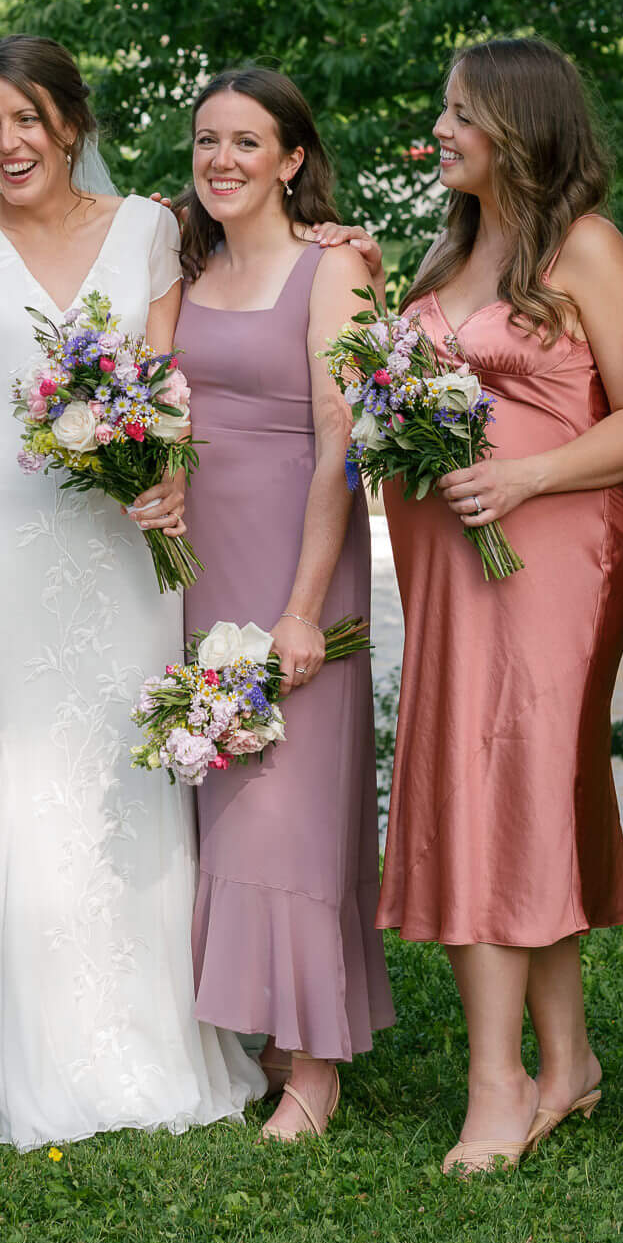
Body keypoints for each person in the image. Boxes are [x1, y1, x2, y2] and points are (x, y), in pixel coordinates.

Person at [0, 34, 263, 1148]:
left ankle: (146, 1015)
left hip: (117, 534)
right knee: (17, 750)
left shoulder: (148, 228)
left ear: (71, 122)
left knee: (122, 752)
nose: (4, 143)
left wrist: (168, 478)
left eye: (24, 119)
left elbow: (169, 385)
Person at [376, 37, 623, 1175]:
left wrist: (528, 474)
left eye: (460, 114)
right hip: (448, 560)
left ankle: (501, 1086)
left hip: (555, 551)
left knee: (510, 788)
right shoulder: (446, 254)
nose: (440, 131)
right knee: (482, 786)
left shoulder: (586, 247)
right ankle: (565, 1057)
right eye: (442, 112)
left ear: (520, 126)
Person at [173, 67, 393, 1141]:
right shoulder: (185, 265)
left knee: (289, 802)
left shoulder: (334, 272)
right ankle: (257, 1033)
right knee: (219, 792)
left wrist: (305, 608)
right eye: (208, 140)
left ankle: (316, 1062)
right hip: (191, 565)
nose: (222, 160)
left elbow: (341, 446)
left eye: (247, 143)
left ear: (294, 159)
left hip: (294, 561)